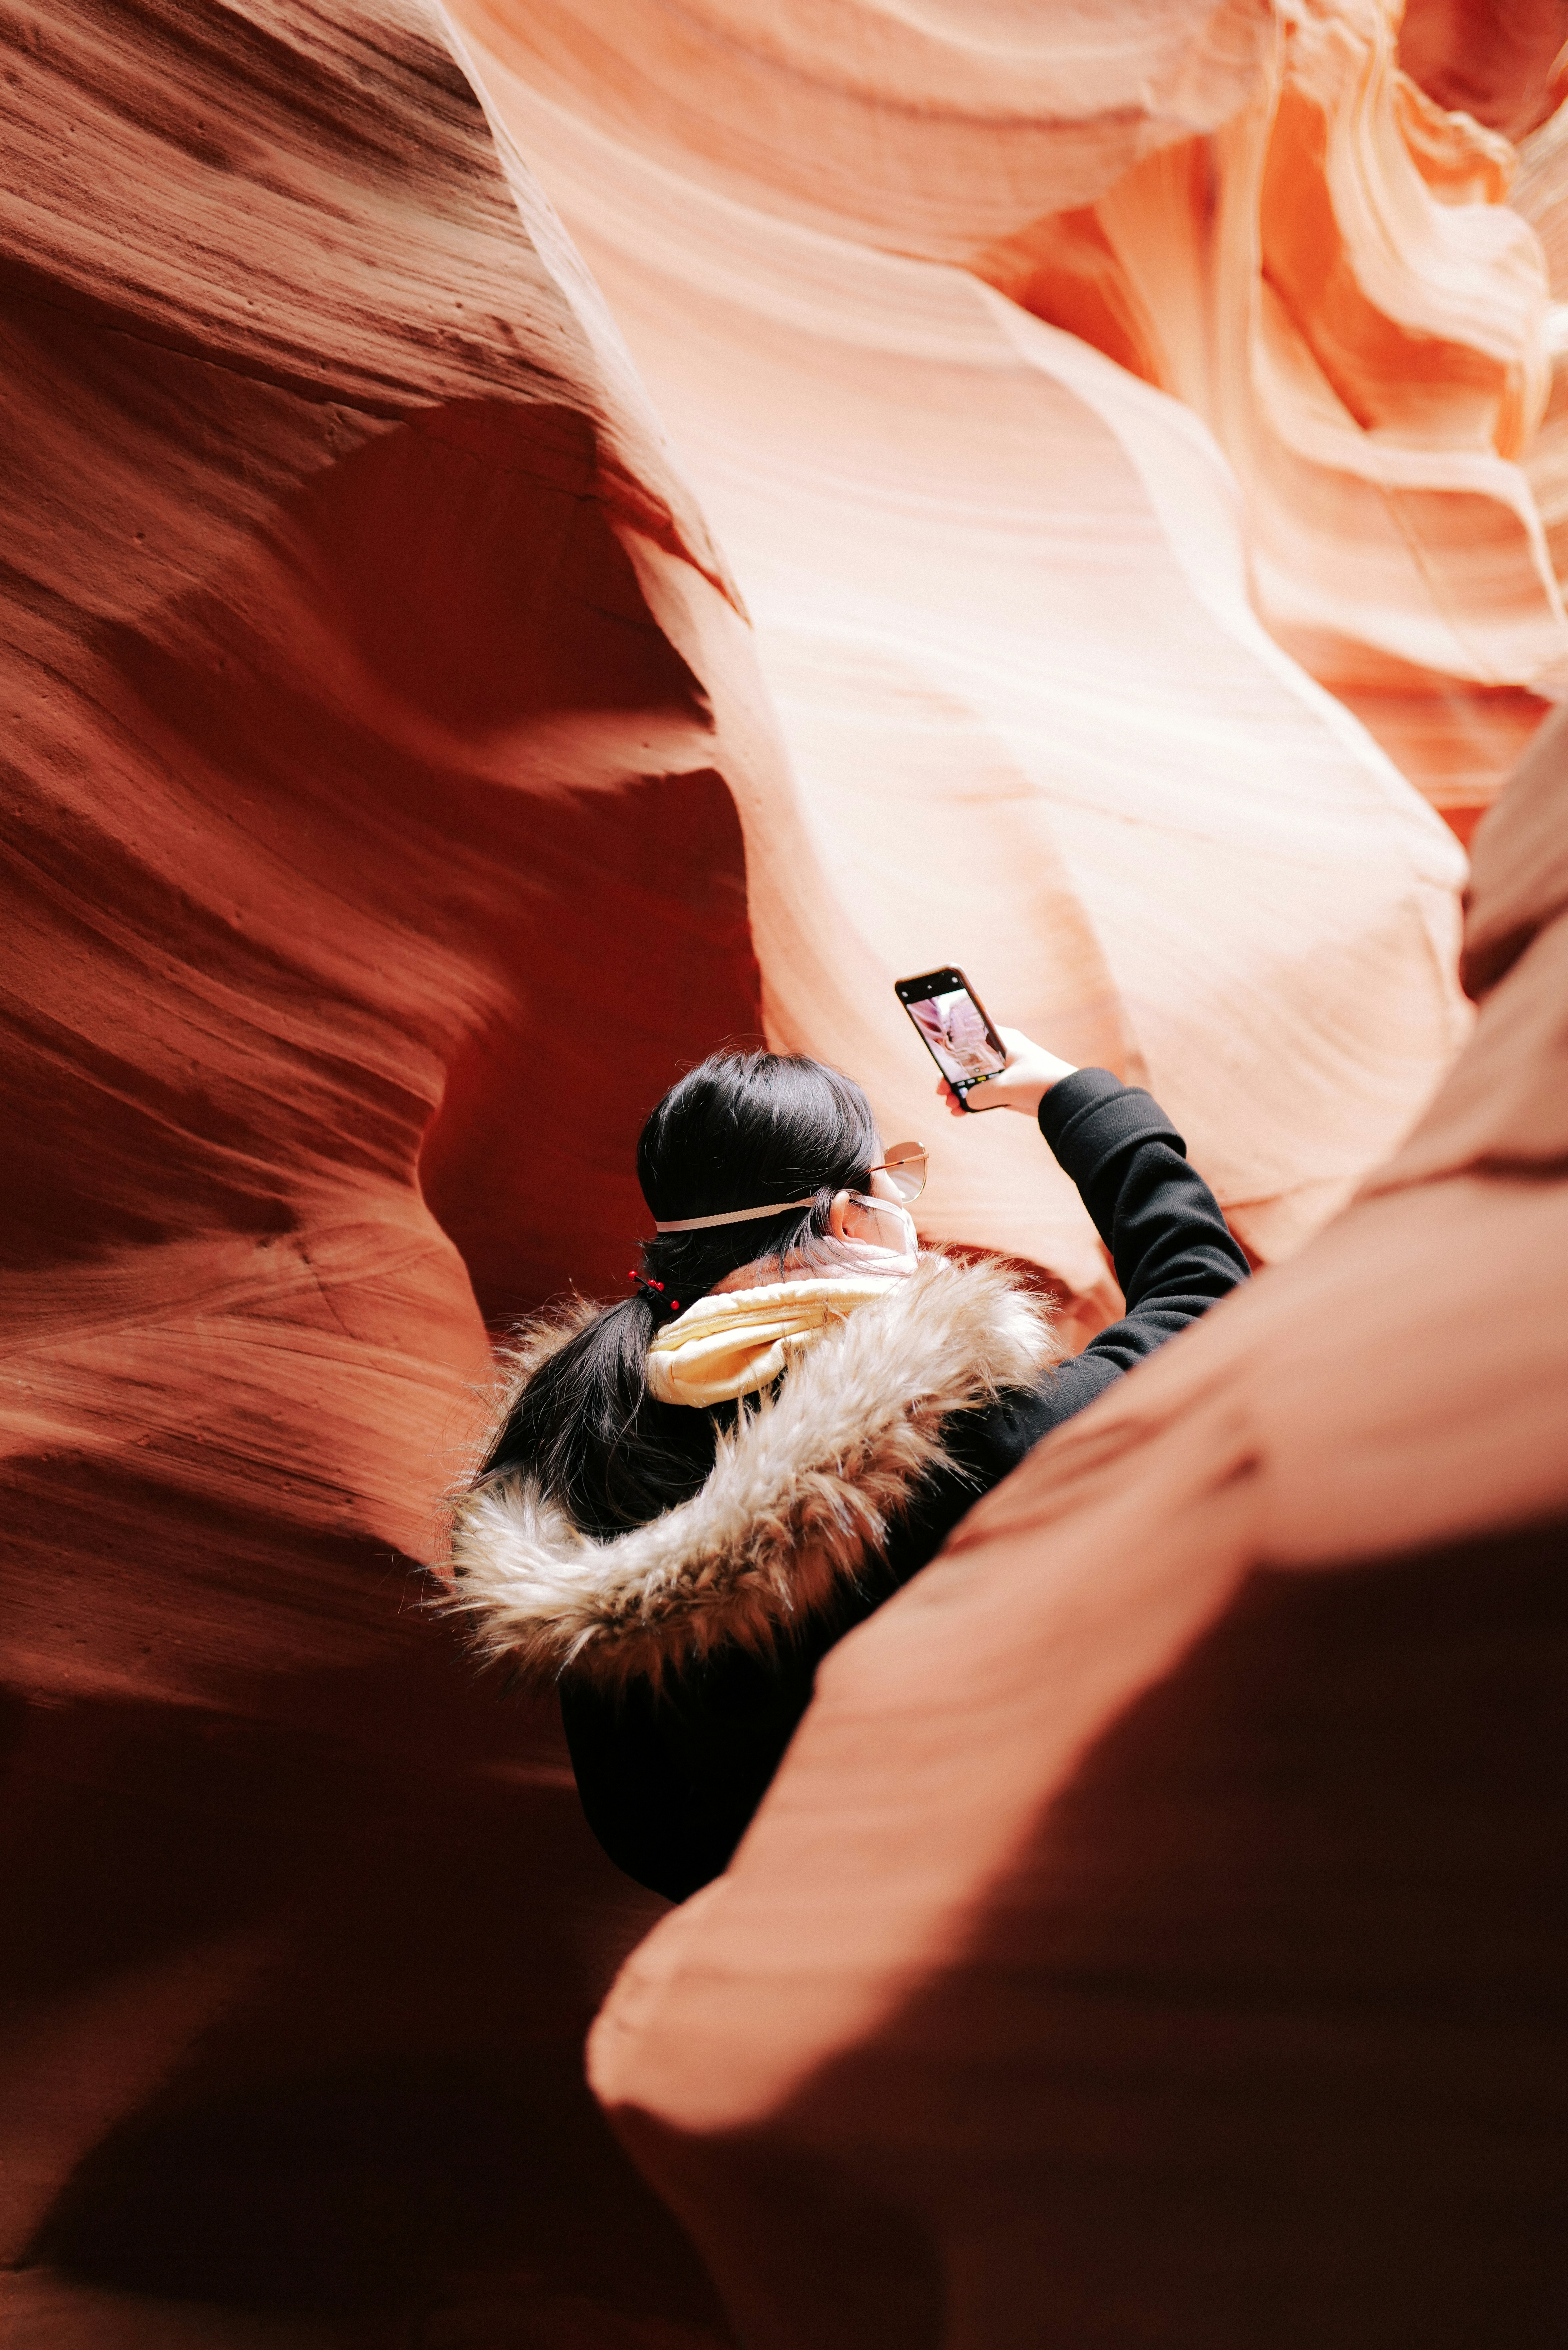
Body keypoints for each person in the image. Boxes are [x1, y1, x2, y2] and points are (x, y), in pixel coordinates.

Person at [446, 1031, 1250, 1902]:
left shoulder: (578, 1449)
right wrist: (1068, 1093)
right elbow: (1204, 1298)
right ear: (845, 1217)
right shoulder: (951, 1442)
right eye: (891, 1178)